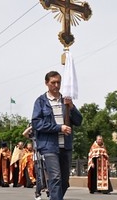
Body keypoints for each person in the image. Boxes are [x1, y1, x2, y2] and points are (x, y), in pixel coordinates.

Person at [31, 70, 83, 200]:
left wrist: (71, 107)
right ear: (46, 83)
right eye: (53, 82)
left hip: (66, 146)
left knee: (64, 181)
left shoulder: (65, 101)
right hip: (49, 146)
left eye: (58, 82)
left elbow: (78, 121)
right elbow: (37, 123)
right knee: (55, 177)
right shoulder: (41, 101)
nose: (56, 85)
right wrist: (59, 128)